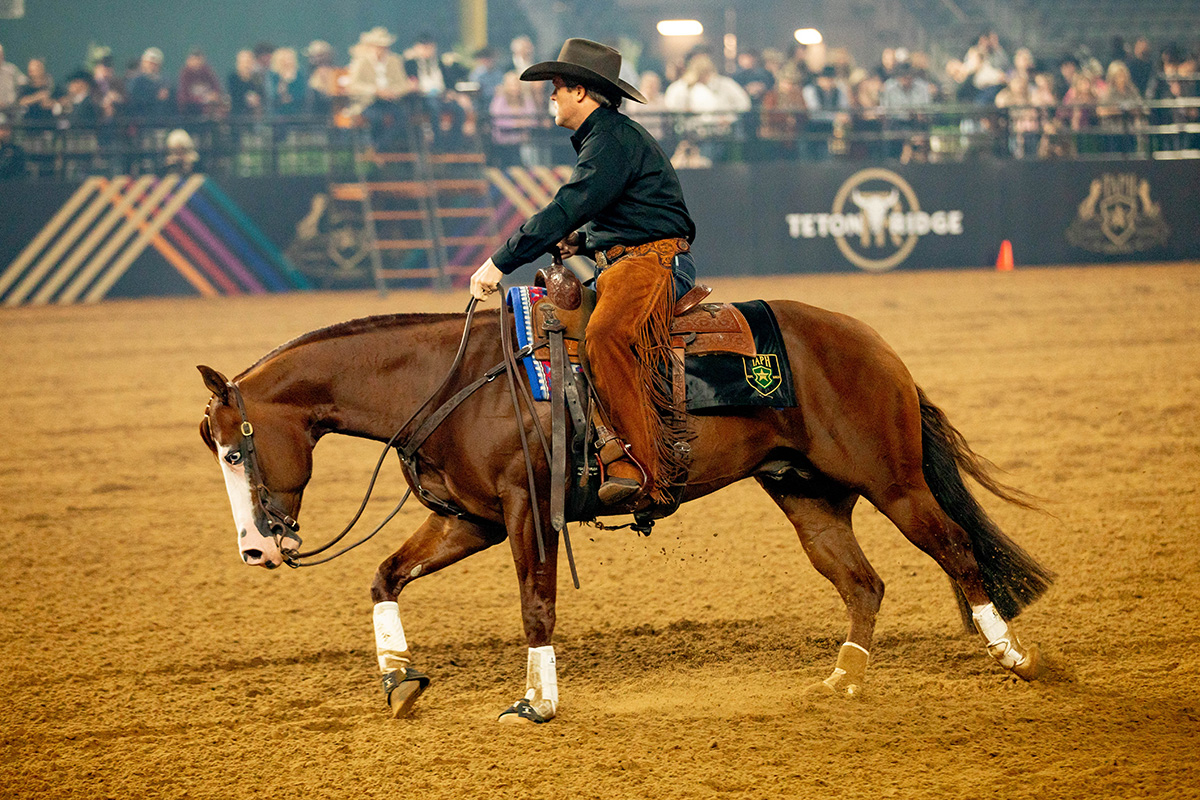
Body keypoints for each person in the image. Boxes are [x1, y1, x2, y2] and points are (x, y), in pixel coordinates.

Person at [469, 39, 697, 507]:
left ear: (581, 92)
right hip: (627, 261)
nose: (550, 96)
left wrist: (499, 262)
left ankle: (641, 467)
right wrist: (584, 240)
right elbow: (607, 210)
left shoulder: (610, 140)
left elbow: (569, 205)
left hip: (651, 262)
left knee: (605, 336)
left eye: (556, 88)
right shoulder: (608, 137)